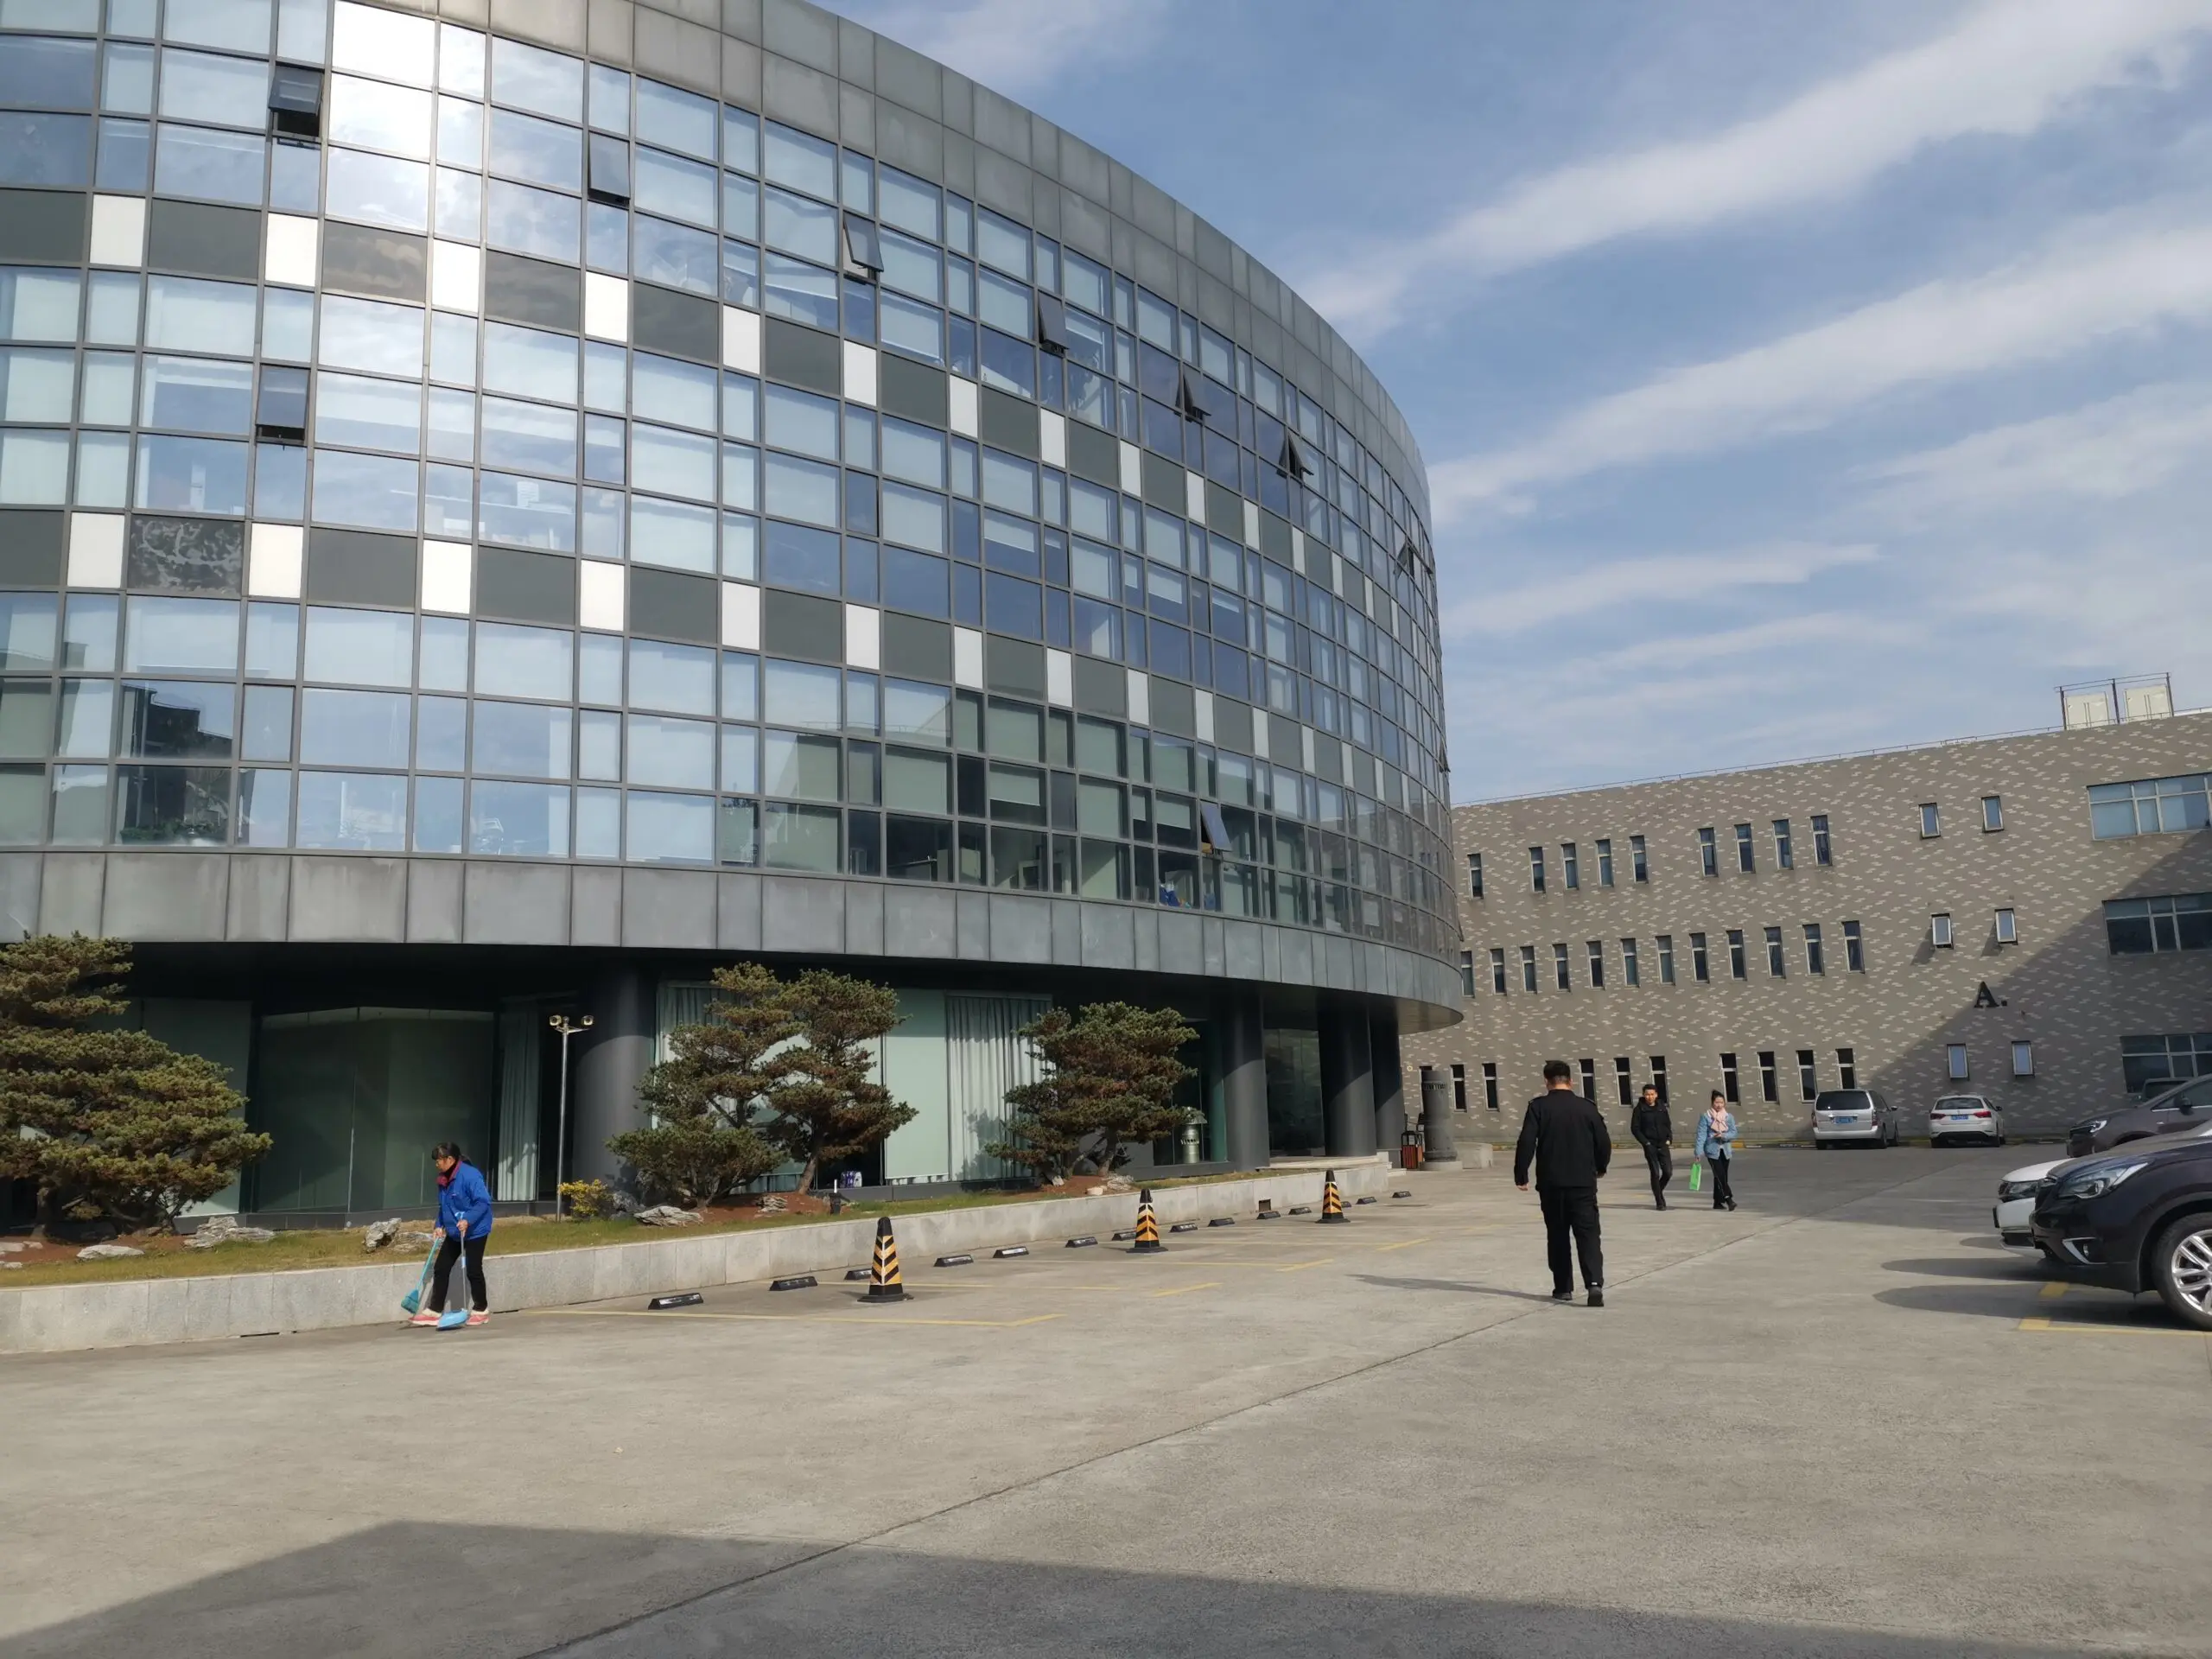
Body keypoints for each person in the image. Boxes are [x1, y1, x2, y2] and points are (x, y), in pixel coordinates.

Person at [1514, 1059, 1611, 1306]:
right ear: (1571, 1080)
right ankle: (1594, 1284)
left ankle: (1563, 1288)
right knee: (1588, 1234)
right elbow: (1603, 1141)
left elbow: (1526, 1140)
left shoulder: (1538, 1107)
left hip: (1551, 1183)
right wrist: (1601, 1167)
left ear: (1546, 1082)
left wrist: (1521, 1173)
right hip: (1583, 1183)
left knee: (1557, 1234)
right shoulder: (1587, 1107)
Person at [413, 1141, 493, 1327]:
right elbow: (444, 1206)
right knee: (441, 1267)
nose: (436, 1165)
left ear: (450, 1159)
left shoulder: (470, 1175)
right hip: (455, 1230)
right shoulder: (443, 1179)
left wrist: (468, 1220)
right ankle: (434, 1311)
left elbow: (483, 1202)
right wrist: (439, 1225)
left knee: (473, 1269)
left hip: (475, 1230)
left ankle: (481, 1309)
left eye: (439, 1161)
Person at [1630, 1083, 1673, 1210]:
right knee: (1655, 1173)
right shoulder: (1640, 1109)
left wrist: (1669, 1139)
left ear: (1656, 1095)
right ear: (1644, 1095)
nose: (1650, 1097)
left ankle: (1658, 1191)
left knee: (1668, 1172)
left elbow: (1667, 1124)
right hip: (1650, 1145)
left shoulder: (1661, 1107)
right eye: (1647, 1094)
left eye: (1652, 1094)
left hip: (1663, 1144)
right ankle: (1660, 1202)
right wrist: (1646, 1143)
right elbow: (1635, 1128)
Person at [1695, 1092, 1739, 1211]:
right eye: (1716, 1102)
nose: (1719, 1105)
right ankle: (1729, 1199)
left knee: (1721, 1176)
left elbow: (1734, 1133)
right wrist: (1698, 1152)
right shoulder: (1706, 1117)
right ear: (1712, 1103)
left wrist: (1723, 1135)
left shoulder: (1728, 1117)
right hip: (1712, 1150)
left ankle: (1717, 1201)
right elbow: (1701, 1135)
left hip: (1725, 1150)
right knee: (1720, 1175)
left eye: (1721, 1102)